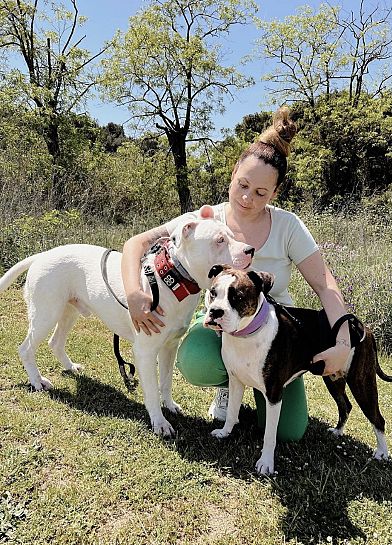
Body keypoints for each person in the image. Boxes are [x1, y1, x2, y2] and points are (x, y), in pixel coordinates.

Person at [121, 106, 351, 440]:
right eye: (242, 185)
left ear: (275, 193)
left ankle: (265, 382)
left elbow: (324, 283)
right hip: (221, 329)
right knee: (196, 359)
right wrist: (133, 293)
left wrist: (342, 342)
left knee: (290, 433)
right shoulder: (205, 220)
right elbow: (136, 243)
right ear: (232, 173)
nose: (247, 198)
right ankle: (228, 386)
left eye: (260, 193)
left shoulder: (288, 226)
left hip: (274, 338)